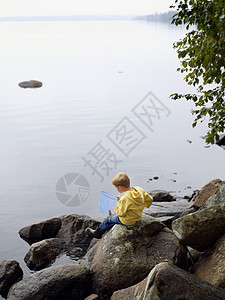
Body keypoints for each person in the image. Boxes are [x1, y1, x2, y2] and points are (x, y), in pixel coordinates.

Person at [85, 172, 153, 238]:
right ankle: (104, 229)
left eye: (116, 187)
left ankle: (97, 233)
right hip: (138, 217)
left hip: (128, 221)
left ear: (120, 187)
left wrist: (119, 202)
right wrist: (144, 205)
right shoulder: (139, 190)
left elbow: (120, 214)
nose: (116, 189)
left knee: (108, 219)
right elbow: (150, 199)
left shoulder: (125, 198)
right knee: (112, 220)